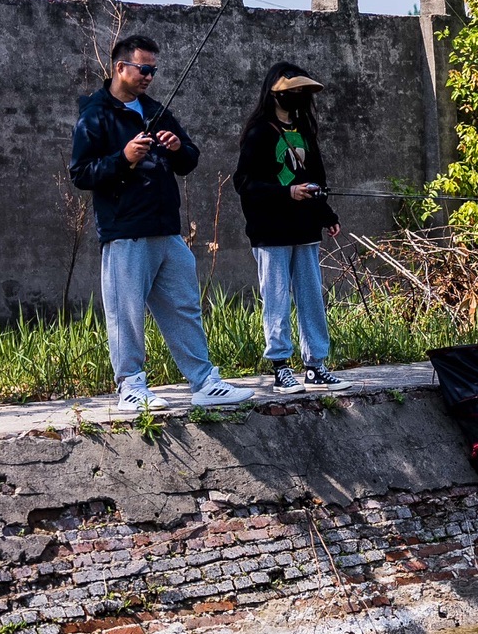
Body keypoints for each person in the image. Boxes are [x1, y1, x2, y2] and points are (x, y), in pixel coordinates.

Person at [69, 35, 256, 413]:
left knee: (185, 305)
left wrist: (176, 147)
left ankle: (204, 382)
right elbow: (81, 173)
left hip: (167, 229)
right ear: (120, 67)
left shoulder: (157, 110)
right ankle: (131, 387)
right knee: (126, 311)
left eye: (153, 70)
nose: (150, 76)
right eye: (144, 68)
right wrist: (123, 158)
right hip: (126, 231)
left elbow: (190, 160)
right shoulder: (95, 115)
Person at [233, 63, 350, 394]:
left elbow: (317, 180)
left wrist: (327, 214)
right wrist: (286, 193)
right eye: (293, 93)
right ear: (276, 94)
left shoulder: (305, 132)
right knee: (276, 300)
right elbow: (243, 182)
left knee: (312, 297)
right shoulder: (259, 133)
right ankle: (280, 368)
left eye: (303, 93)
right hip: (271, 232)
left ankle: (315, 365)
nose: (299, 98)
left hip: (306, 230)